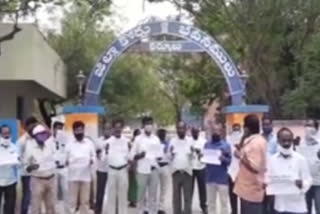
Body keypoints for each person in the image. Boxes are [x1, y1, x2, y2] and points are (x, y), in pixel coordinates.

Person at [266, 127, 312, 214]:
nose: (286, 143)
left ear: (292, 140)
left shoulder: (300, 159)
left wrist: (302, 184)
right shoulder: (272, 160)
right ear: (278, 141)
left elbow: (308, 180)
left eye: (289, 140)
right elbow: (268, 179)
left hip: (297, 208)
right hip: (279, 207)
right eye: (283, 140)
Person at [234, 114, 267, 214]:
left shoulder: (256, 143)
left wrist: (240, 156)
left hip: (252, 190)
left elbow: (255, 166)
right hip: (246, 189)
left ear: (247, 128)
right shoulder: (252, 140)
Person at [130, 117, 162, 214]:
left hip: (153, 170)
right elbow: (131, 155)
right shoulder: (138, 139)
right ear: (143, 125)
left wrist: (159, 157)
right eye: (147, 124)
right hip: (142, 171)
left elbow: (160, 155)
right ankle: (140, 211)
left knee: (153, 196)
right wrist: (139, 155)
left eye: (150, 124)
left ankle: (152, 212)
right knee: (141, 196)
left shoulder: (156, 139)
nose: (149, 126)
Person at [24, 124, 57, 214]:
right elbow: (26, 165)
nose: (43, 136)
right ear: (35, 136)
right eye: (40, 134)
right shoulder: (30, 146)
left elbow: (56, 156)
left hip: (51, 178)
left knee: (51, 206)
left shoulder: (50, 143)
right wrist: (30, 167)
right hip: (37, 179)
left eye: (44, 134)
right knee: (36, 206)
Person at [66, 121, 96, 214]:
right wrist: (67, 162)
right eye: (77, 130)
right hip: (73, 177)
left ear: (83, 130)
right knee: (72, 202)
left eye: (81, 130)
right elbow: (65, 159)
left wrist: (92, 160)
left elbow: (93, 156)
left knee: (85, 201)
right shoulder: (69, 144)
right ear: (73, 131)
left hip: (85, 176)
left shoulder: (89, 143)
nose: (79, 132)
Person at [104, 119, 130, 214]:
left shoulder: (126, 141)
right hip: (112, 171)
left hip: (123, 170)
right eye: (116, 127)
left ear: (122, 128)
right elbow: (104, 158)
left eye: (119, 127)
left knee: (123, 196)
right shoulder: (108, 142)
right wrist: (106, 151)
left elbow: (129, 156)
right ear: (113, 128)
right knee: (111, 196)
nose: (117, 129)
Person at [204, 122, 231, 214]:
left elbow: (229, 162)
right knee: (211, 204)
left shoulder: (226, 145)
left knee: (224, 203)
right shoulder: (207, 145)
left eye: (218, 130)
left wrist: (223, 159)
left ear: (221, 131)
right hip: (210, 178)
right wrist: (201, 157)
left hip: (222, 179)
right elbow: (204, 160)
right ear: (211, 131)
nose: (216, 132)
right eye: (214, 130)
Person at [169, 121, 193, 214]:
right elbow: (168, 157)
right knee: (176, 197)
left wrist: (192, 152)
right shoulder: (172, 141)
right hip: (176, 172)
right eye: (179, 128)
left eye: (182, 128)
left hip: (187, 173)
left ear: (186, 129)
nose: (181, 130)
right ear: (176, 129)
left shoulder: (190, 141)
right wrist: (170, 153)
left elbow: (193, 157)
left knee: (187, 197)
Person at [298, 119, 320, 214]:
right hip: (305, 182)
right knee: (306, 209)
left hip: (318, 183)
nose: (308, 128)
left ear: (316, 128)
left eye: (310, 126)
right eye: (306, 125)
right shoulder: (300, 143)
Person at [18, 116, 38, 214]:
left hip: (38, 172)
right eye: (32, 127)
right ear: (26, 127)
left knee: (35, 196)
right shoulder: (22, 141)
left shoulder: (37, 139)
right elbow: (18, 157)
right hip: (26, 173)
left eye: (35, 126)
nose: (34, 129)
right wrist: (27, 166)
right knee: (27, 195)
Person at [0, 125, 20, 214]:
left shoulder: (14, 147)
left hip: (11, 181)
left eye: (8, 132)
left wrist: (19, 162)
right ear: (0, 134)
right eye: (4, 133)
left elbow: (18, 164)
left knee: (10, 207)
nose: (6, 135)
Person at [52, 116, 69, 213]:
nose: (59, 131)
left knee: (66, 191)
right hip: (53, 168)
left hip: (64, 168)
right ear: (53, 129)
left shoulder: (66, 139)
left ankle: (67, 211)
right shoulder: (49, 140)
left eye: (61, 128)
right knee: (53, 193)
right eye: (57, 128)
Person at [95, 121, 112, 214]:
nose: (107, 131)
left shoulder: (114, 140)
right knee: (100, 192)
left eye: (109, 128)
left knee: (112, 193)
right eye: (105, 128)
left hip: (112, 170)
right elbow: (96, 154)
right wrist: (99, 152)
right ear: (102, 130)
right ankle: (98, 210)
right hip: (101, 170)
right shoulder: (98, 141)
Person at [262, 116, 278, 214]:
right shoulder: (258, 138)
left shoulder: (276, 139)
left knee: (272, 203)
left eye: (267, 124)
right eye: (263, 124)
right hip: (261, 174)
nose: (265, 126)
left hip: (273, 175)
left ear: (272, 125)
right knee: (262, 203)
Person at [190, 127, 207, 214]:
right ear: (191, 132)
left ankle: (203, 206)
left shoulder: (203, 141)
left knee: (202, 188)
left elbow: (206, 155)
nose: (194, 134)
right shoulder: (188, 141)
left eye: (196, 132)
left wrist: (200, 153)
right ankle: (188, 206)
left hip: (201, 167)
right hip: (191, 167)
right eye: (193, 132)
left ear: (199, 132)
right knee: (189, 188)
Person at [226, 123, 242, 214]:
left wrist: (240, 149)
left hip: (242, 171)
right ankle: (234, 211)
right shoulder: (228, 139)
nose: (236, 130)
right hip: (231, 170)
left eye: (238, 129)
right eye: (234, 129)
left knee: (243, 195)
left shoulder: (245, 140)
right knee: (232, 194)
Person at [157, 129, 170, 214]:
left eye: (163, 134)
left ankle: (161, 207)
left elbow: (171, 155)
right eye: (160, 134)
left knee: (164, 188)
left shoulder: (168, 144)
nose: (162, 135)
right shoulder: (155, 143)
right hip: (156, 165)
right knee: (154, 187)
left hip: (165, 166)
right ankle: (153, 205)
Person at [128, 129, 141, 207]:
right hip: (133, 165)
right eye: (138, 134)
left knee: (138, 183)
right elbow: (129, 154)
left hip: (140, 165)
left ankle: (137, 199)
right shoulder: (131, 143)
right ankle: (132, 200)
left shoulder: (141, 142)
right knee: (132, 183)